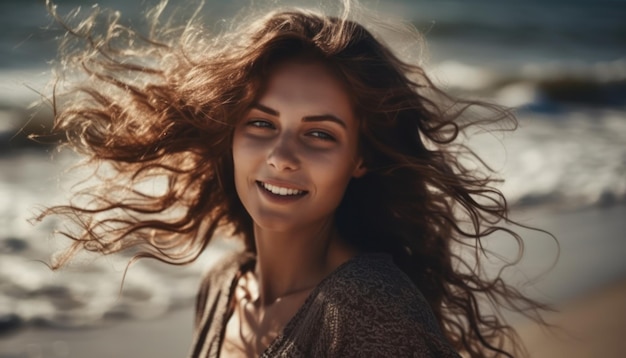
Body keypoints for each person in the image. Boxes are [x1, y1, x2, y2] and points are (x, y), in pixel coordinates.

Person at [40, 0, 551, 357]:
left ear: (360, 158)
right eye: (261, 124)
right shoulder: (222, 287)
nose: (282, 156)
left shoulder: (370, 309)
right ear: (231, 135)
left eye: (320, 135)